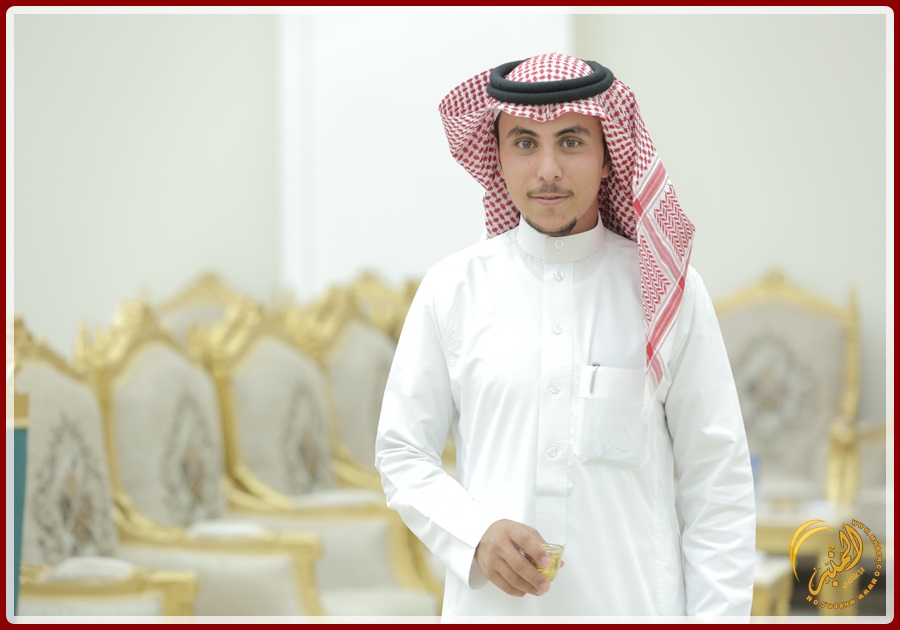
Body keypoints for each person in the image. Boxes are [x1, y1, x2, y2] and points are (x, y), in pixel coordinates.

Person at [374, 53, 756, 618]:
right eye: (525, 143)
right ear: (498, 157)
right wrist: (474, 533)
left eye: (571, 142)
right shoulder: (452, 290)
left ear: (607, 157)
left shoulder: (668, 290)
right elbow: (401, 451)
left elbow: (717, 480)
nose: (547, 169)